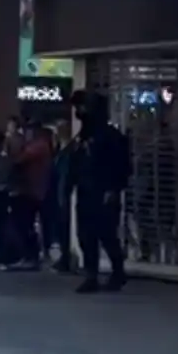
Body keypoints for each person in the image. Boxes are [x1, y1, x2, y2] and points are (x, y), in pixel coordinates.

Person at [68, 91, 129, 293]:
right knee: (86, 235)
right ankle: (91, 275)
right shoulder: (83, 136)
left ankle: (118, 272)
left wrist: (113, 189)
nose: (79, 112)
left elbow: (122, 166)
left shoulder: (111, 136)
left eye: (82, 107)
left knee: (107, 234)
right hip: (85, 191)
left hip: (103, 192)